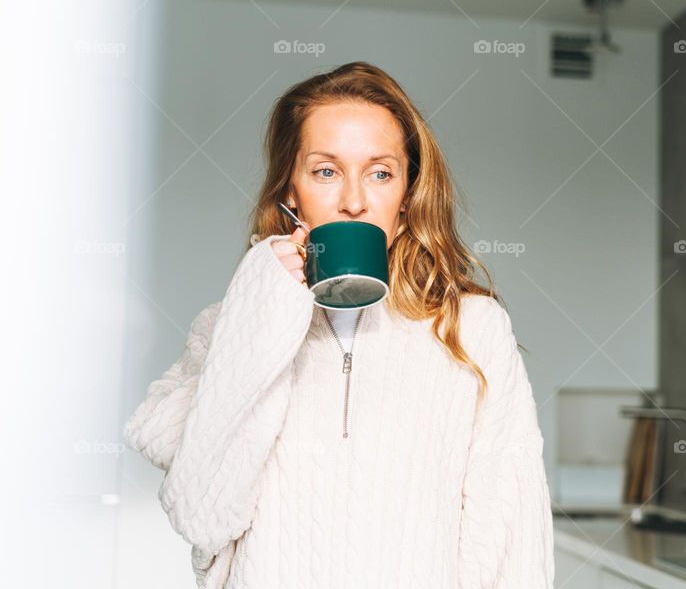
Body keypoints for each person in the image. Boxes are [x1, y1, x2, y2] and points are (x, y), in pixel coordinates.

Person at [122, 61, 555, 588]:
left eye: (380, 172)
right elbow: (202, 518)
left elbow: (510, 532)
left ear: (406, 200)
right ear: (291, 192)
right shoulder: (225, 328)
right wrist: (260, 315)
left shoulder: (472, 328)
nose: (354, 201)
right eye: (326, 171)